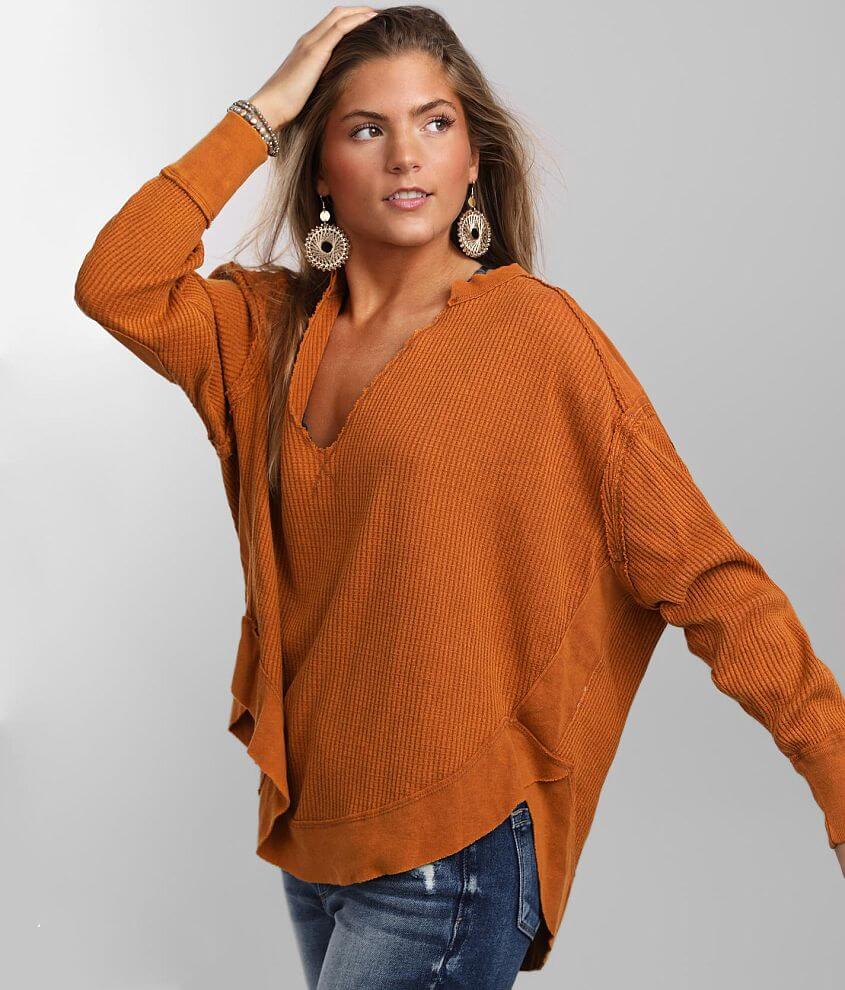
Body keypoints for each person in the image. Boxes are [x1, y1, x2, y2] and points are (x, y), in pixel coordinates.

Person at [73, 5, 845, 987]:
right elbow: (118, 283)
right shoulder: (263, 329)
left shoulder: (535, 339)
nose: (406, 155)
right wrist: (264, 109)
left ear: (472, 157)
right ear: (320, 168)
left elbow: (704, 576)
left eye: (434, 123)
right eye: (366, 128)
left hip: (453, 851)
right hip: (319, 844)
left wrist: (834, 771)